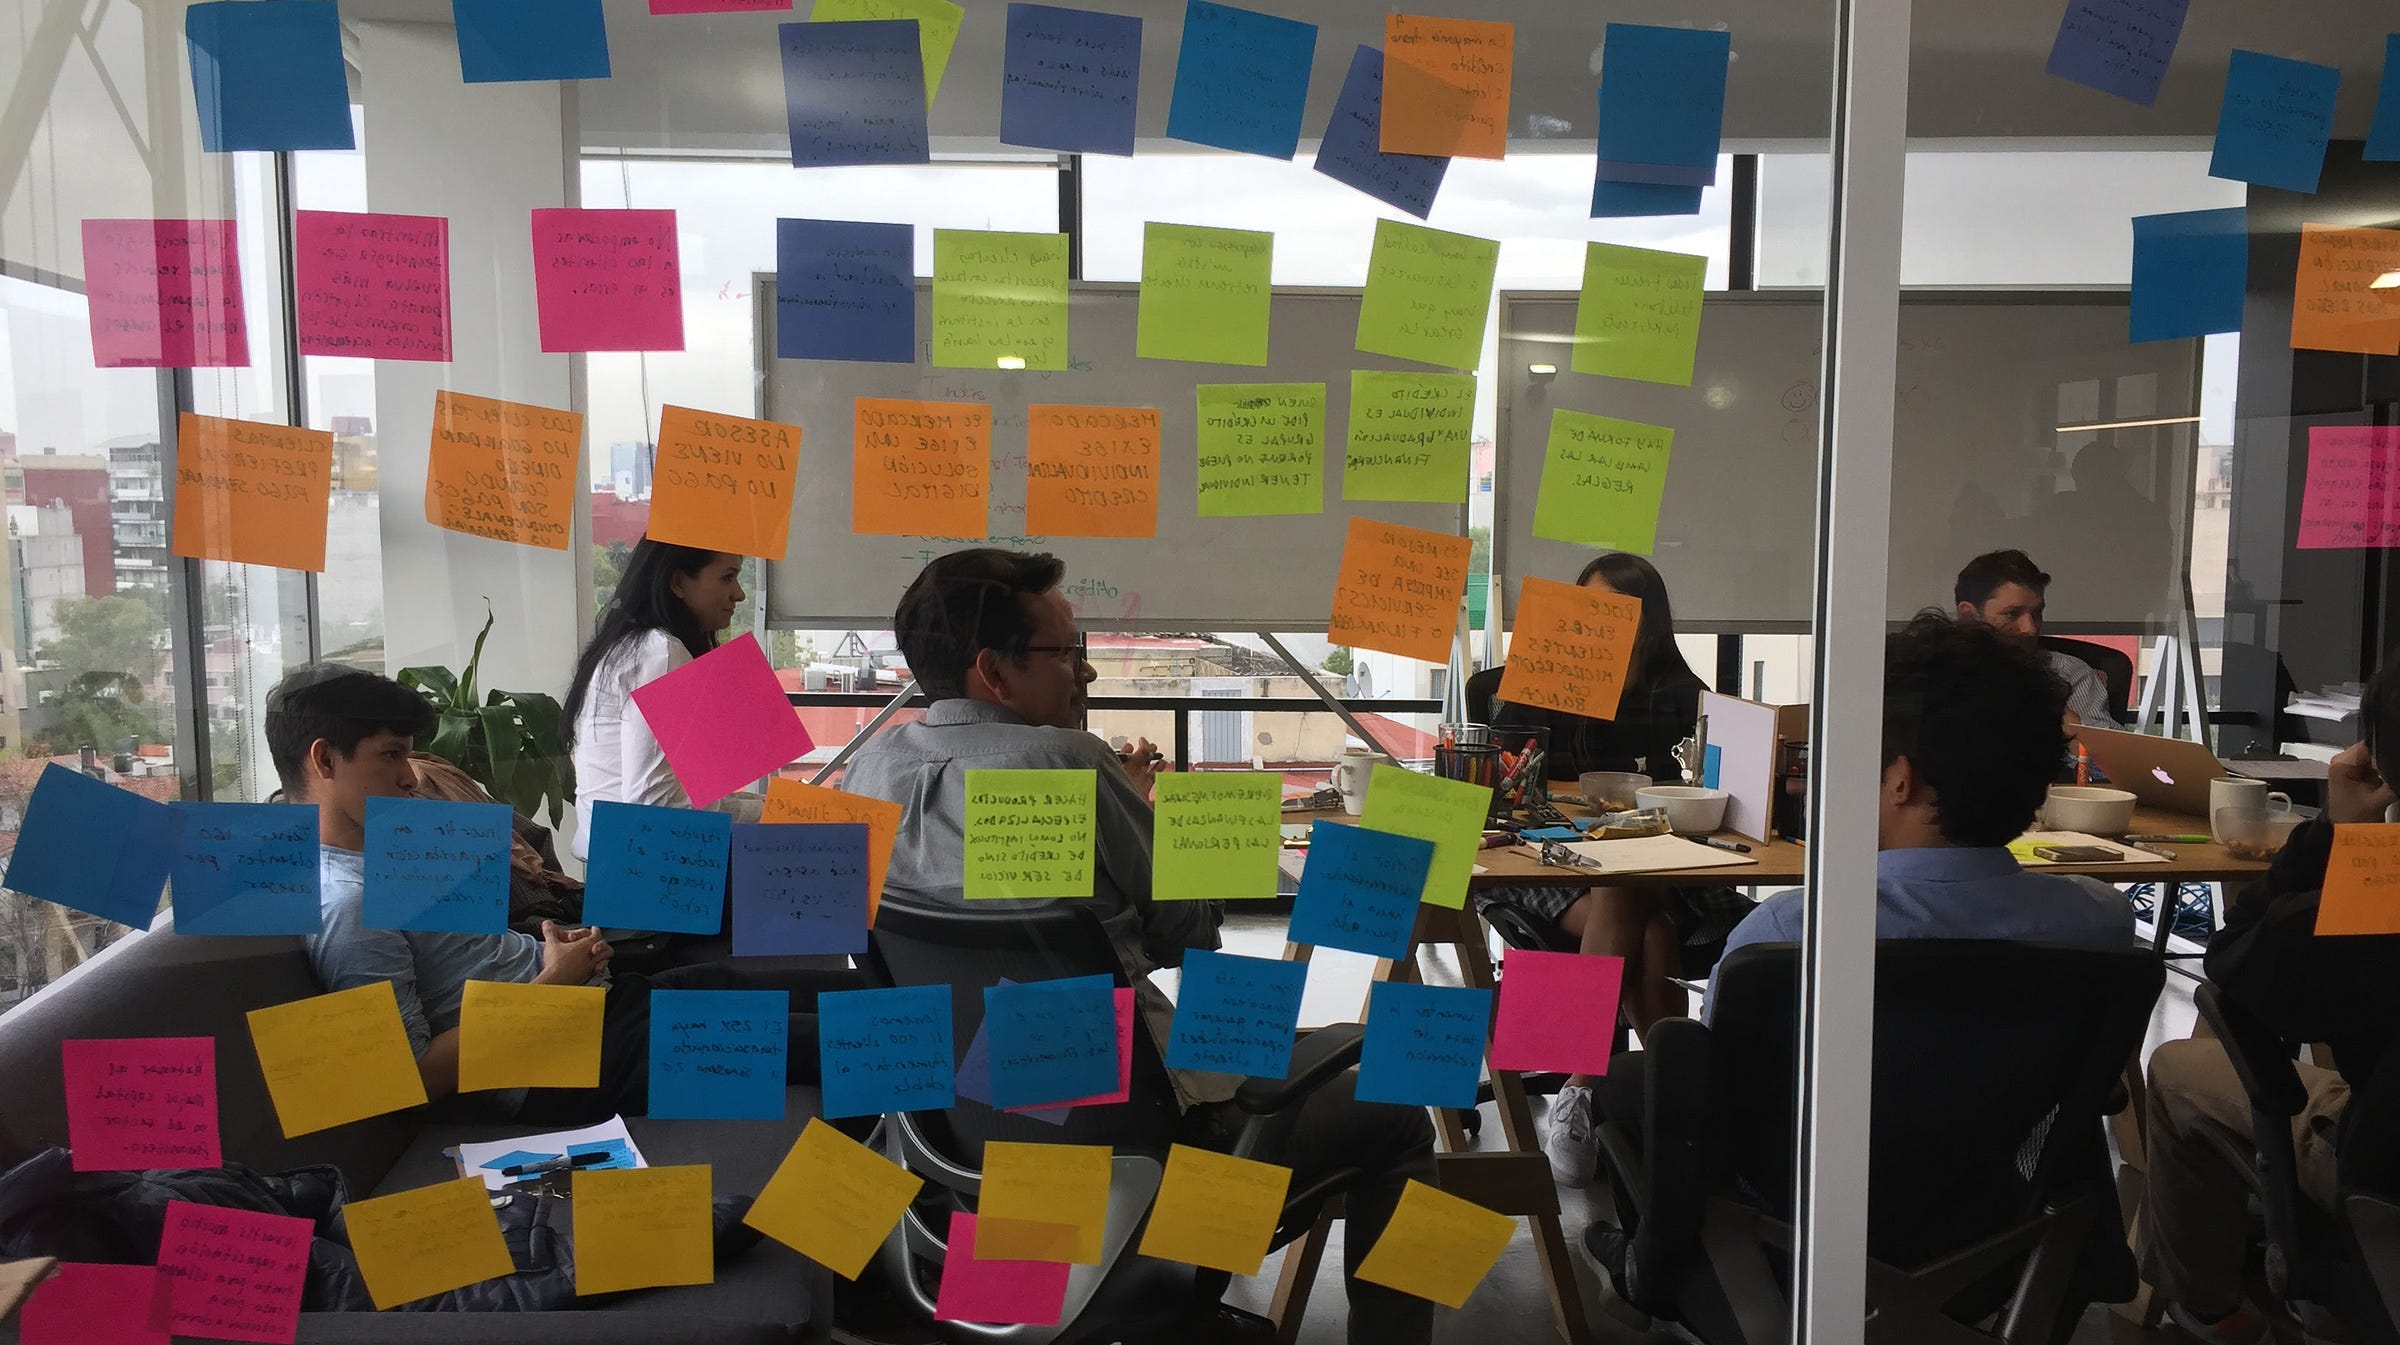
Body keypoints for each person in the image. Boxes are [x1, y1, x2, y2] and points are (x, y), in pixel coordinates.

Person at [841, 547, 1437, 1345]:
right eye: (1066, 651)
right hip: (1145, 1169)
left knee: (1285, 1042)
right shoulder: (1072, 764)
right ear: (995, 671)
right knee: (1396, 1110)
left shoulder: (868, 770)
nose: (1084, 671)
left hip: (958, 1151)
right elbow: (1188, 930)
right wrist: (1137, 810)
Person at [1579, 614, 2137, 1274]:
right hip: (1990, 1232)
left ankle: (1637, 1234)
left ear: (1900, 780)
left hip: (1796, 1237)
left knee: (1635, 1062)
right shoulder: (2100, 925)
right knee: (1636, 941)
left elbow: (1722, 1089)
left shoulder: (1787, 932)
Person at [273, 663, 858, 1124]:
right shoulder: (346, 906)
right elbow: (411, 1079)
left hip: (600, 1004)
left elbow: (470, 961)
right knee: (848, 1038)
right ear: (324, 759)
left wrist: (551, 949)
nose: (410, 776)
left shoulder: (392, 847)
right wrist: (552, 983)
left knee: (840, 993)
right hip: (564, 1065)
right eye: (390, 756)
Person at [2136, 663, 2400, 1345]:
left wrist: (2339, 830)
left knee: (2178, 1069)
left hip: (2384, 1178)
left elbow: (2235, 957)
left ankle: (2211, 1312)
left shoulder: (2369, 909)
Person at [1483, 554, 1746, 1187]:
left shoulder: (1679, 694)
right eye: (1585, 608)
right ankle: (1670, 1108)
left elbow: (1706, 787)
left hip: (1658, 863)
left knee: (1633, 899)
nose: (1594, 623)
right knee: (1638, 913)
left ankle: (1585, 1087)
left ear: (1646, 624)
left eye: (1612, 612)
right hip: (1546, 859)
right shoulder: (1547, 677)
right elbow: (1502, 776)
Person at [561, 538, 749, 862]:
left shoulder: (626, 647)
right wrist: (766, 814)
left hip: (615, 862)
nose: (739, 594)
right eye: (727, 577)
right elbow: (653, 806)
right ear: (678, 582)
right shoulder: (661, 652)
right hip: (646, 870)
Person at [1953, 549, 2119, 728]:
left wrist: (2046, 699)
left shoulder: (2069, 672)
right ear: (1968, 615)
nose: (2030, 629)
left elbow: (2111, 745)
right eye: (2011, 614)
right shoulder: (1938, 670)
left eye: (2037, 613)